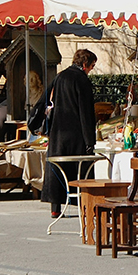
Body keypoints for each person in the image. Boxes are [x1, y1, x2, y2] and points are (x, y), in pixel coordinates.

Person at [41, 49, 97, 218]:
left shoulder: (60, 77)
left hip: (58, 130)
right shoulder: (82, 80)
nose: (91, 69)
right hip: (76, 132)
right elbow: (86, 112)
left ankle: (55, 207)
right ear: (85, 64)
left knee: (58, 169)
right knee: (81, 170)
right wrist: (90, 140)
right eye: (92, 66)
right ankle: (84, 205)